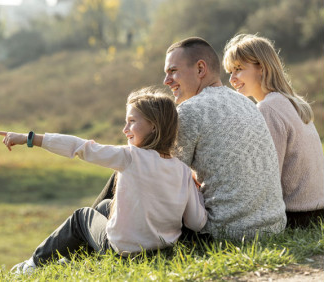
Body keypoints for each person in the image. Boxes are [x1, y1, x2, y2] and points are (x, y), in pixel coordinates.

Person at [0, 87, 207, 274]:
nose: (125, 130)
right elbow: (196, 222)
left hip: (123, 252)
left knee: (81, 217)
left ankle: (32, 265)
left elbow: (81, 147)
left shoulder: (130, 157)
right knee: (105, 206)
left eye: (132, 122)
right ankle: (70, 259)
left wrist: (29, 138)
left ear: (154, 127)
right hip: (160, 252)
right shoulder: (182, 170)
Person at [93, 37, 287, 240]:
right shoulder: (246, 103)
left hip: (225, 232)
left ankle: (98, 242)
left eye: (173, 71)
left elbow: (159, 179)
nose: (166, 81)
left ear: (200, 69)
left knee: (112, 193)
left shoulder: (189, 112)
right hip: (272, 226)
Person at [223, 34, 324, 228]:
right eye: (230, 71)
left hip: (297, 216)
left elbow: (267, 176)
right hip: (318, 210)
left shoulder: (268, 108)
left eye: (238, 69)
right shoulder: (292, 102)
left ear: (261, 67)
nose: (232, 79)